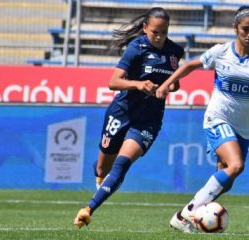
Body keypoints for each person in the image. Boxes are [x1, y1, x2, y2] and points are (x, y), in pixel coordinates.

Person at [155, 6, 249, 233]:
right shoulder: (221, 52)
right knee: (236, 165)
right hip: (218, 117)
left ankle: (195, 213)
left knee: (226, 181)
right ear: (235, 28)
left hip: (243, 127)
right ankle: (185, 213)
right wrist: (165, 84)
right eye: (245, 29)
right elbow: (190, 65)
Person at [73, 7, 184, 228]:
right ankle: (100, 175)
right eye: (155, 32)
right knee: (103, 169)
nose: (159, 37)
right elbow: (113, 82)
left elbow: (175, 81)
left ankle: (88, 209)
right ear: (145, 28)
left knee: (122, 165)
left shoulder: (174, 51)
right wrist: (137, 84)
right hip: (121, 112)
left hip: (149, 120)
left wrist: (171, 85)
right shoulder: (136, 47)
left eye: (163, 32)